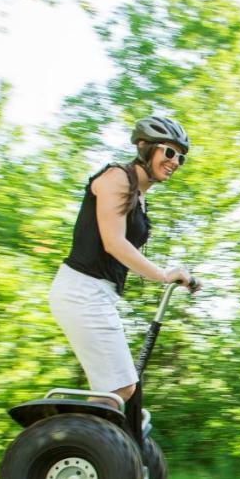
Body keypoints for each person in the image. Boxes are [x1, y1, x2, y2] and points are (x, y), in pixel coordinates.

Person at [49, 115, 200, 439]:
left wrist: (176, 276)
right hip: (81, 290)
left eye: (180, 157)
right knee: (119, 387)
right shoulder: (116, 177)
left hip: (98, 294)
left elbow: (126, 252)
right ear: (144, 148)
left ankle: (103, 458)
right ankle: (69, 450)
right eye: (169, 152)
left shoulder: (139, 197)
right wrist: (163, 275)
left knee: (124, 390)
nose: (175, 162)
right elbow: (113, 242)